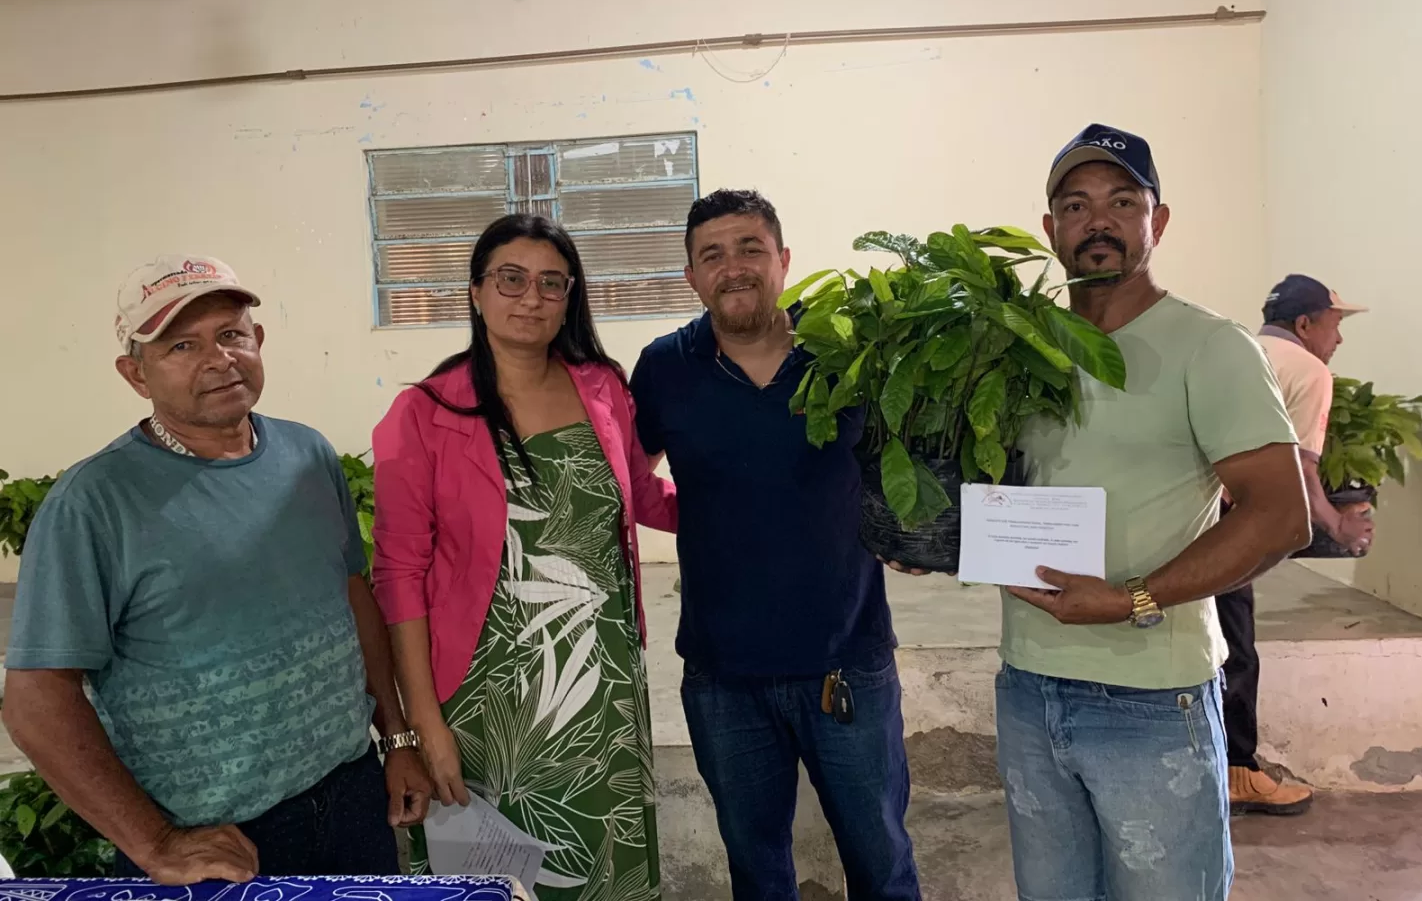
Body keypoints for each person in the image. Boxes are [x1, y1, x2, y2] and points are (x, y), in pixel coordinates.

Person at [2, 255, 429, 884]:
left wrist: (394, 737)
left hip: (353, 794)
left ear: (259, 341)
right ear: (135, 373)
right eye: (182, 345)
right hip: (219, 841)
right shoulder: (93, 503)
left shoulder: (308, 454)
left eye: (232, 334)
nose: (219, 359)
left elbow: (351, 596)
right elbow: (36, 701)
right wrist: (156, 843)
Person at [996, 126, 1310, 900]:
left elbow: (1281, 515)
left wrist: (1131, 598)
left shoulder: (1210, 347)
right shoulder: (1019, 347)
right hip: (1029, 687)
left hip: (1151, 699)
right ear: (1051, 229)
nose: (1097, 221)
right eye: (1076, 205)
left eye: (1121, 202)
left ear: (1156, 221)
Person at [371, 215, 676, 899]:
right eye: (511, 279)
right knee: (499, 879)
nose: (531, 297)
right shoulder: (423, 413)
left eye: (551, 283)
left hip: (600, 684)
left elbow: (640, 494)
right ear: (476, 292)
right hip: (489, 701)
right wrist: (423, 725)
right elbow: (398, 576)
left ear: (570, 297)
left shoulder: (602, 387)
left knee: (601, 865)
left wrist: (751, 503)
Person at [629, 190, 920, 901]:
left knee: (881, 864)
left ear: (784, 260)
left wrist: (907, 530)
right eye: (712, 255)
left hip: (847, 663)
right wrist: (701, 512)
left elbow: (910, 458)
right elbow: (629, 481)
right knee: (757, 873)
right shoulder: (665, 367)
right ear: (691, 276)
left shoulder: (846, 349)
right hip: (724, 679)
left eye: (750, 248)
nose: (733, 267)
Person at [1216, 274, 1371, 816]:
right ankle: (1238, 773)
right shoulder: (1308, 369)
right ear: (1305, 324)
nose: (1339, 338)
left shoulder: (1234, 350)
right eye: (1335, 324)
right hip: (1230, 519)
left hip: (1184, 512)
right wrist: (1337, 525)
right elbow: (1301, 468)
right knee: (1236, 646)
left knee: (1202, 638)